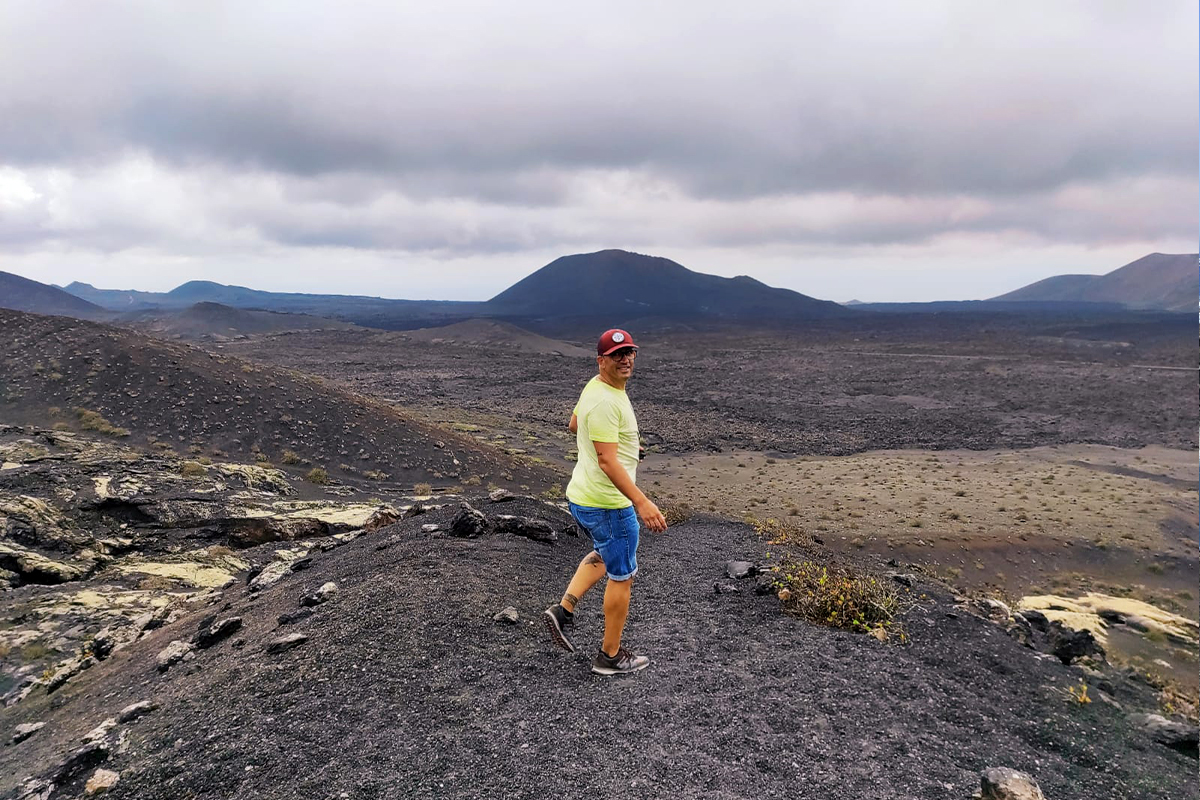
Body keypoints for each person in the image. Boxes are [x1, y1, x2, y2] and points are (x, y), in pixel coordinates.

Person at [544, 328, 668, 675]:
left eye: (630, 352)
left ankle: (563, 610)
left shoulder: (596, 388)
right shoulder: (604, 399)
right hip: (608, 504)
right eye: (617, 355)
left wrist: (626, 446)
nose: (626, 359)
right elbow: (607, 461)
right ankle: (609, 657)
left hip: (583, 497)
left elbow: (573, 425)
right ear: (602, 360)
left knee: (604, 552)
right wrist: (642, 502)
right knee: (622, 575)